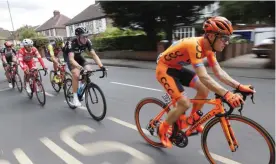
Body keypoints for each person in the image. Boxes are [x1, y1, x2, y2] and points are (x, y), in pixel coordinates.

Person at [155, 16, 255, 148]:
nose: (227, 42)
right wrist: (227, 94)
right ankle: (162, 129)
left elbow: (219, 72)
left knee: (204, 89)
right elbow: (204, 76)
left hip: (177, 68)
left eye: (228, 39)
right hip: (164, 68)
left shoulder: (209, 50)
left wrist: (239, 86)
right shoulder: (194, 45)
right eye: (224, 38)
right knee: (184, 103)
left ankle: (191, 121)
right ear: (212, 36)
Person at [67, 26, 106, 107]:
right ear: (78, 37)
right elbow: (71, 59)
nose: (85, 38)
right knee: (76, 74)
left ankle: (81, 88)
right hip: (69, 57)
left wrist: (101, 66)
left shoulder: (87, 41)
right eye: (83, 37)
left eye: (86, 36)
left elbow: (93, 55)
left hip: (78, 56)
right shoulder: (72, 43)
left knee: (88, 70)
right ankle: (75, 98)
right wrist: (80, 68)